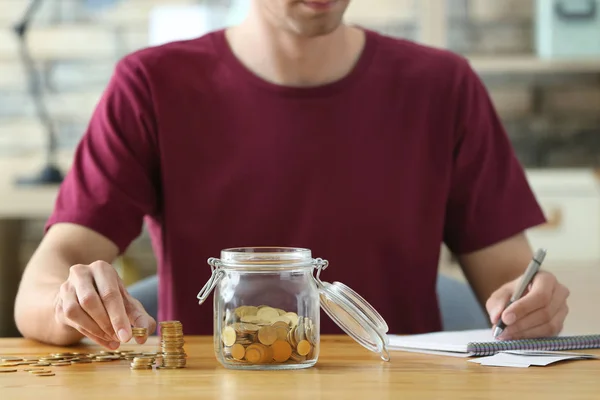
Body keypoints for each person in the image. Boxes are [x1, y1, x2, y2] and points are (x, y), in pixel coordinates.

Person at [14, 0, 570, 350]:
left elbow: (515, 284)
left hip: (402, 389)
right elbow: (41, 286)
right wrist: (73, 302)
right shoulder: (150, 86)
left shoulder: (444, 86)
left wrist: (533, 306)